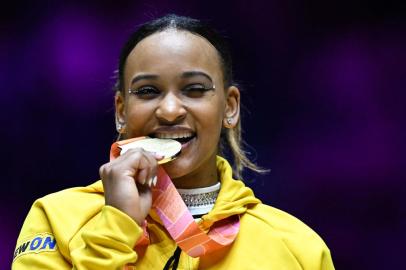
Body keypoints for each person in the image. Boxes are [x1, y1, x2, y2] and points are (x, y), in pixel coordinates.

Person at [12, 14, 335, 269]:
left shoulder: (297, 247)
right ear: (121, 111)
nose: (169, 111)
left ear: (230, 107)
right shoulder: (57, 218)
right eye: (148, 91)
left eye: (194, 89)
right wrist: (114, 229)